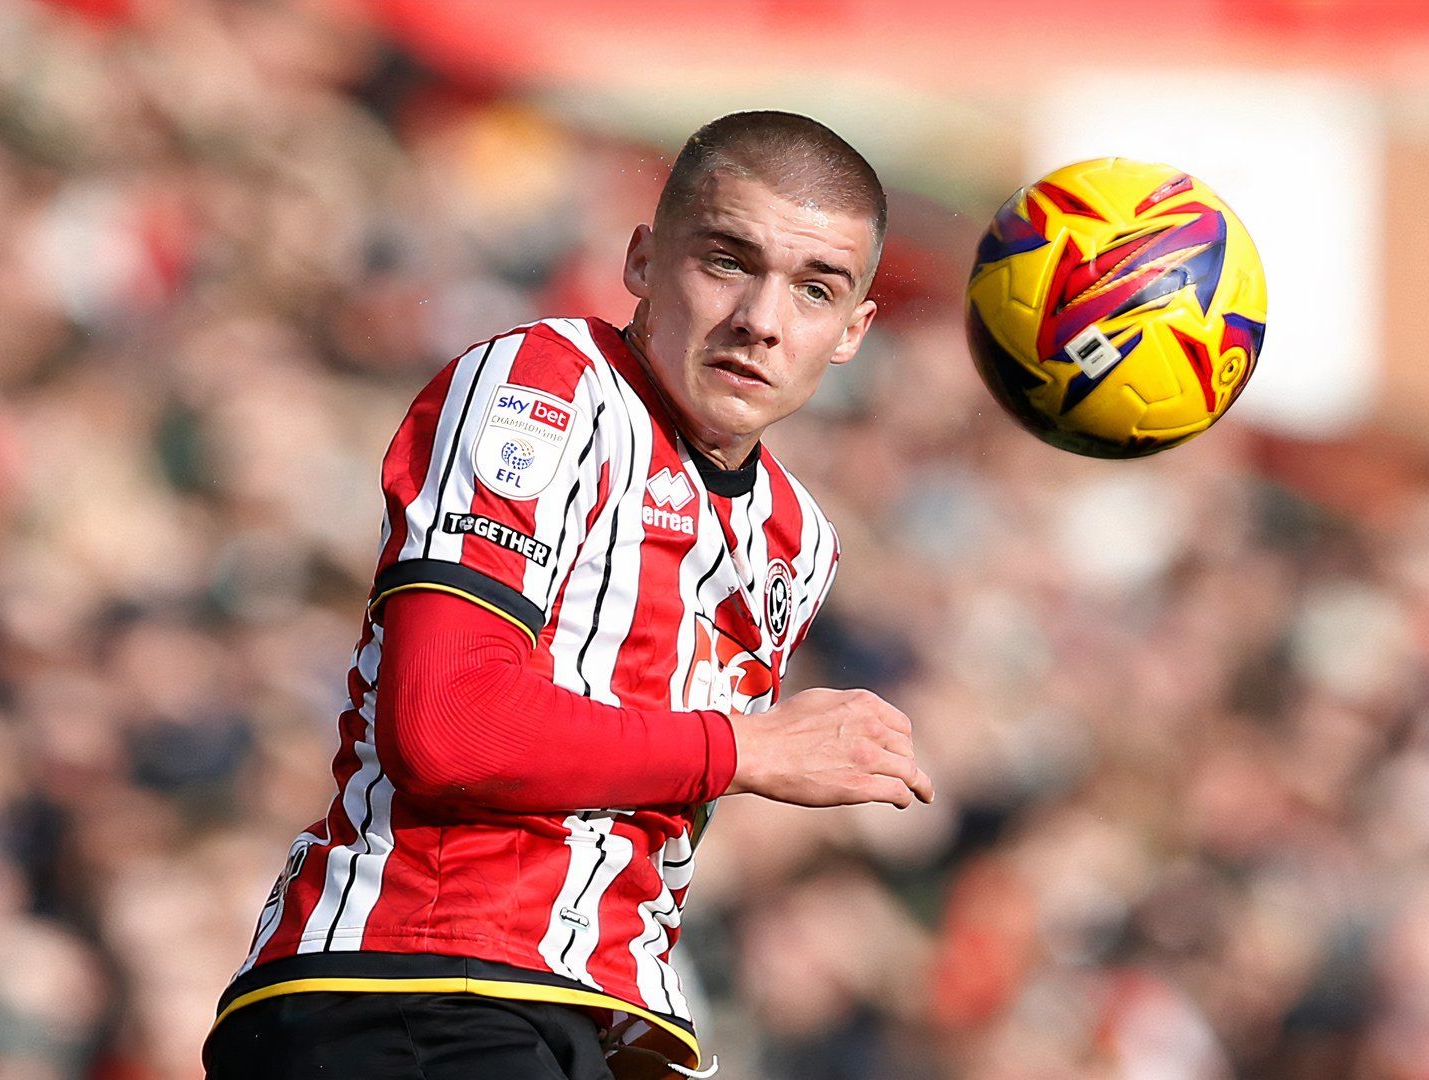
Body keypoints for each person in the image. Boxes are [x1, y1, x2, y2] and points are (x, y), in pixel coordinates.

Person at [202, 110, 934, 1080]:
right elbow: (446, 725)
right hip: (411, 986)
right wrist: (748, 748)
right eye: (725, 260)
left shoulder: (797, 541)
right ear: (639, 260)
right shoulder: (546, 385)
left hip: (570, 1016)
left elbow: (636, 824)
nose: (761, 318)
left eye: (813, 289)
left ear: (853, 332)